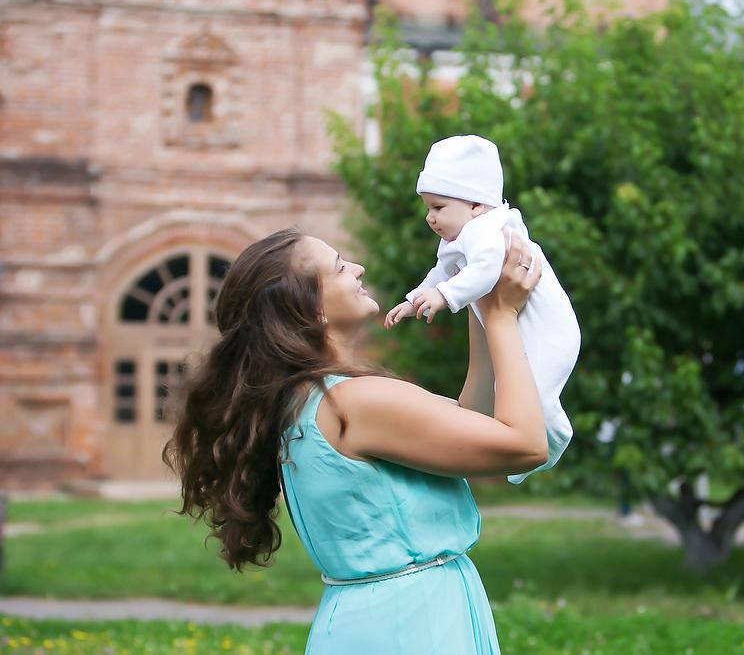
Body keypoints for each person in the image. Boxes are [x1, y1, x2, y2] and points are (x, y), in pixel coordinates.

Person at [163, 226, 545, 654]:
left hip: (379, 618)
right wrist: (503, 316)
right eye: (341, 267)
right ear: (312, 308)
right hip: (411, 626)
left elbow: (470, 432)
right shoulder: (353, 402)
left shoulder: (310, 397)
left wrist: (479, 303)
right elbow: (524, 445)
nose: (359, 268)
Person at [384, 135, 581, 483]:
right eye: (427, 208)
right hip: (520, 324)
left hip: (549, 328)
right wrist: (415, 298)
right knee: (510, 392)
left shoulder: (489, 230)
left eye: (439, 207)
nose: (430, 218)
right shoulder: (460, 237)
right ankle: (526, 446)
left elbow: (485, 271)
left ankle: (550, 438)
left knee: (535, 392)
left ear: (476, 205)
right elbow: (441, 272)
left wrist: (444, 296)